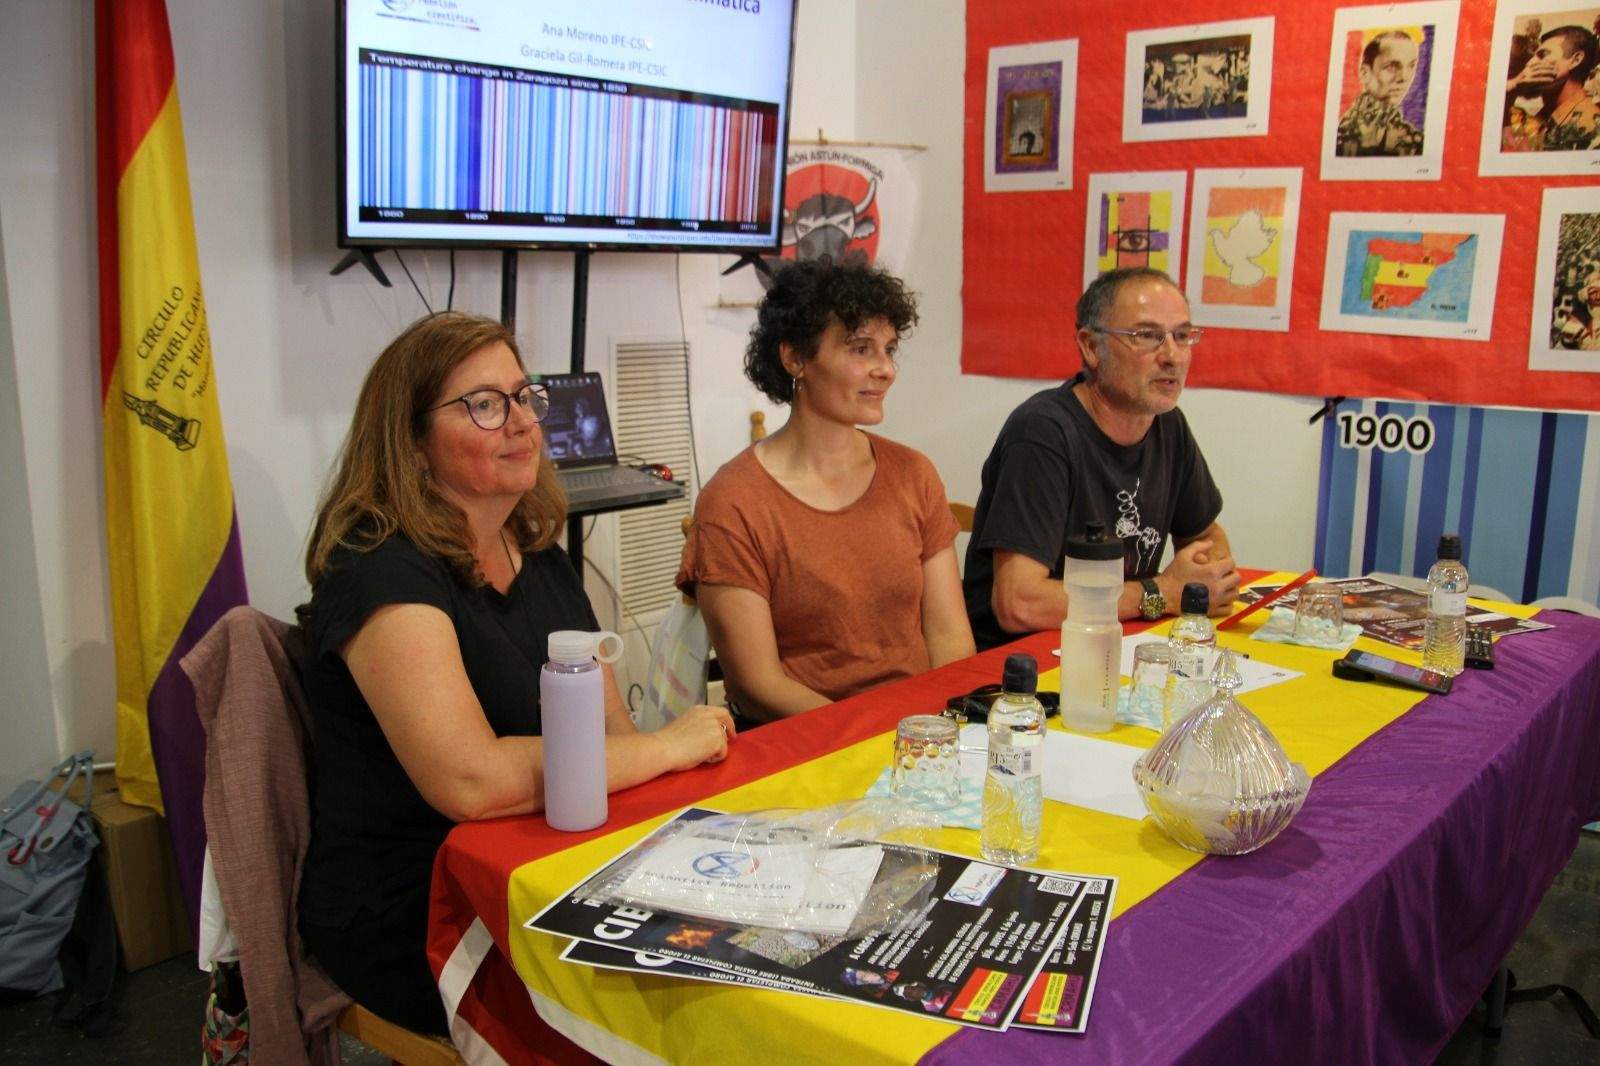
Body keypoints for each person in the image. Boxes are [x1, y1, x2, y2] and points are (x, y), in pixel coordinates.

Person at [295, 312, 733, 1035]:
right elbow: (469, 782)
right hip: (419, 905)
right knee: (659, 1013)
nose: (523, 423)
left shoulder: (543, 560)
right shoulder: (377, 569)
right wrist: (668, 747)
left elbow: (613, 739)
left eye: (524, 397)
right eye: (485, 405)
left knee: (723, 952)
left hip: (541, 863)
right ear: (410, 441)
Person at [677, 258, 975, 722]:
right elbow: (758, 684)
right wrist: (873, 733)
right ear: (796, 357)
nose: (886, 370)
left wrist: (937, 731)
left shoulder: (914, 474)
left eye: (889, 350)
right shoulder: (734, 502)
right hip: (806, 746)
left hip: (922, 736)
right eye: (861, 349)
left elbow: (950, 640)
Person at [963, 267, 1239, 651]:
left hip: (1117, 646)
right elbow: (1018, 604)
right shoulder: (1042, 433)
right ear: (1091, 347)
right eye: (1147, 336)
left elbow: (1207, 536)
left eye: (1181, 335)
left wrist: (1207, 573)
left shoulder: (1168, 425)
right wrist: (1161, 592)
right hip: (1022, 668)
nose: (1172, 356)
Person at [1504, 23, 1600, 151]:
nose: (1530, 62)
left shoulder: (1592, 128)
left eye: (1543, 54)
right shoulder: (1540, 118)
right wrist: (1511, 86)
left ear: (1576, 60)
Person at [1336, 30, 1424, 157]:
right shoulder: (1343, 132)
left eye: (1411, 66)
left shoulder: (1409, 139)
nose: (1404, 77)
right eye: (1391, 66)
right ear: (1365, 73)